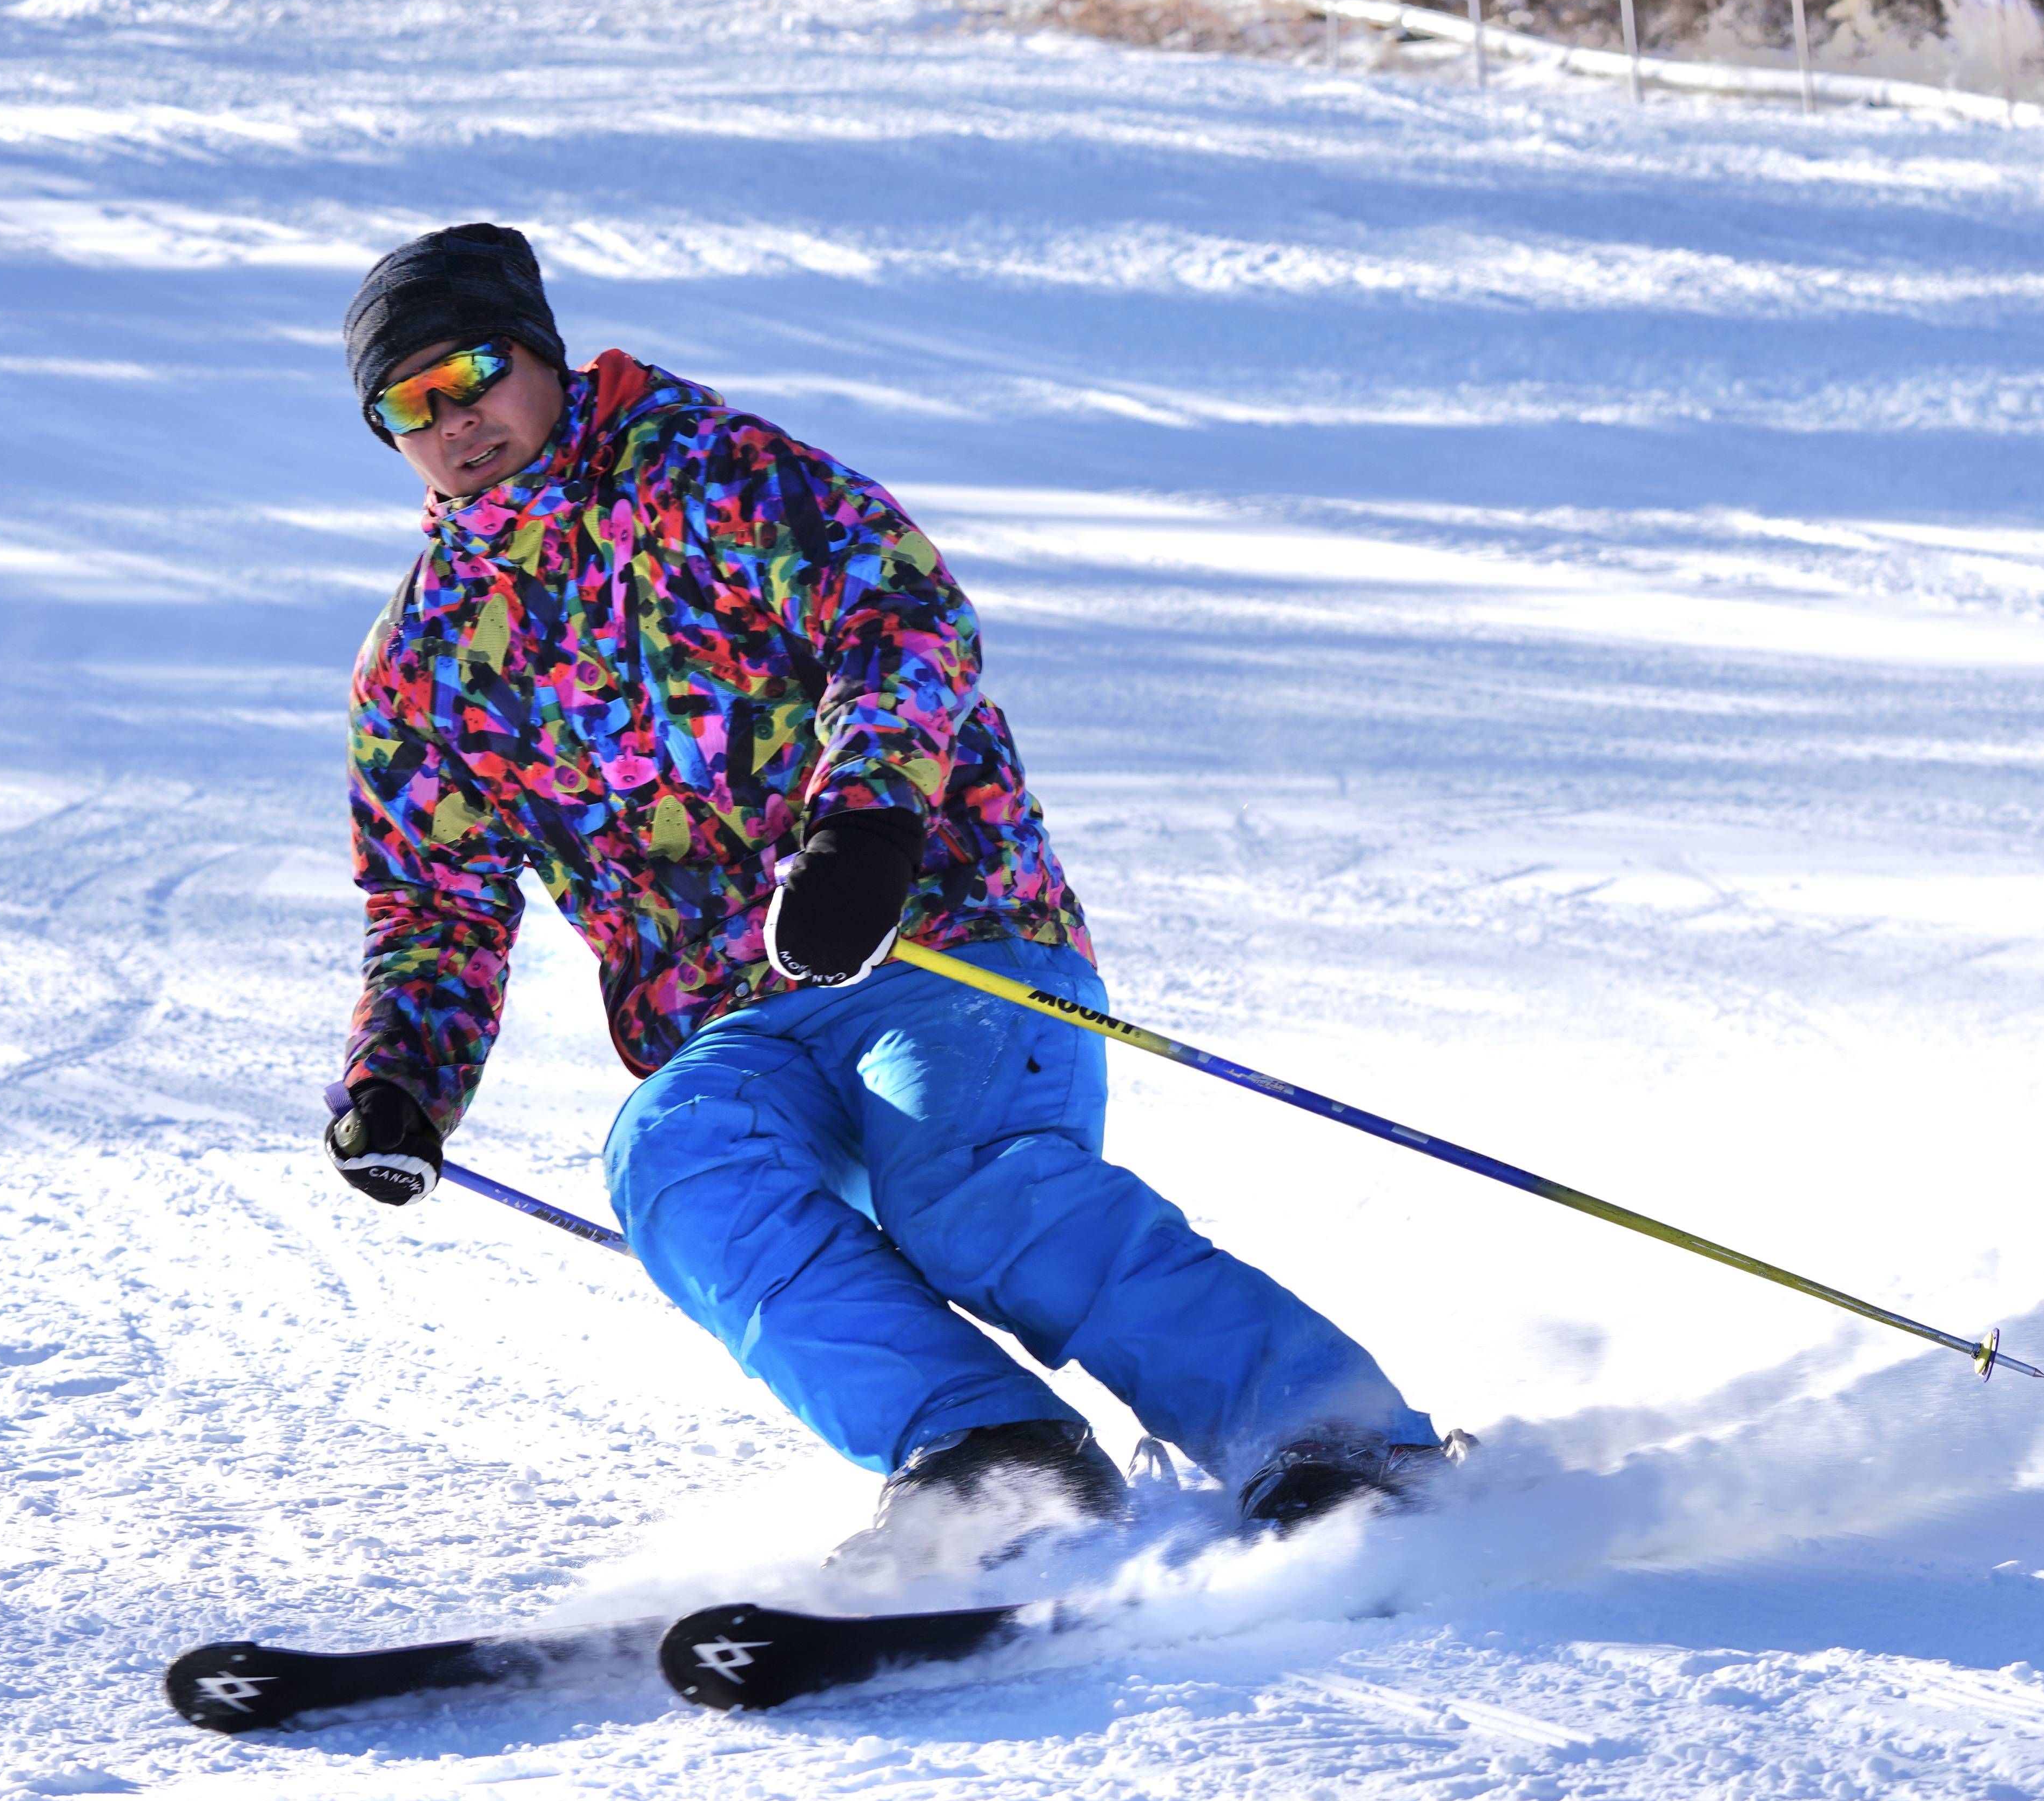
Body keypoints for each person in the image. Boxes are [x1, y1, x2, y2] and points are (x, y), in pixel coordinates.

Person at [316, 223, 1447, 1569]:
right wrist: (402, 1081)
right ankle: (990, 1457)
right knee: (673, 1163)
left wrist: (866, 825)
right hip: (733, 1019)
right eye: (408, 404)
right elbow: (432, 901)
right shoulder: (424, 659)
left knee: (966, 1193)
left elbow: (902, 617)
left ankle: (1336, 1440)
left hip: (941, 937)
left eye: (475, 371)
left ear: (543, 356)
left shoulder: (713, 477)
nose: (454, 421)